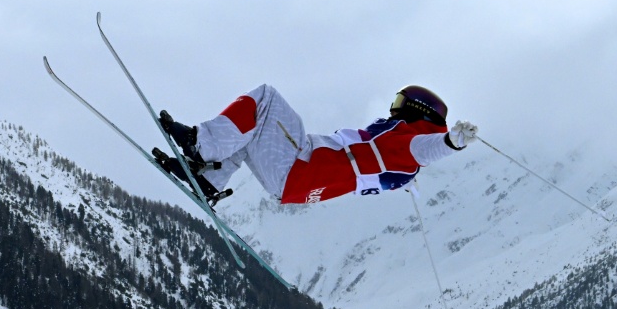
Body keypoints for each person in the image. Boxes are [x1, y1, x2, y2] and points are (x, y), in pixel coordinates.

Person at [156, 84, 477, 204]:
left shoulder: (408, 145)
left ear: (419, 109)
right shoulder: (398, 158)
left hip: (302, 166)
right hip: (298, 181)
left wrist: (452, 142)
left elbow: (428, 150)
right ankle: (207, 180)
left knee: (265, 100)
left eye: (400, 101)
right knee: (249, 131)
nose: (393, 108)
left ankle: (202, 144)